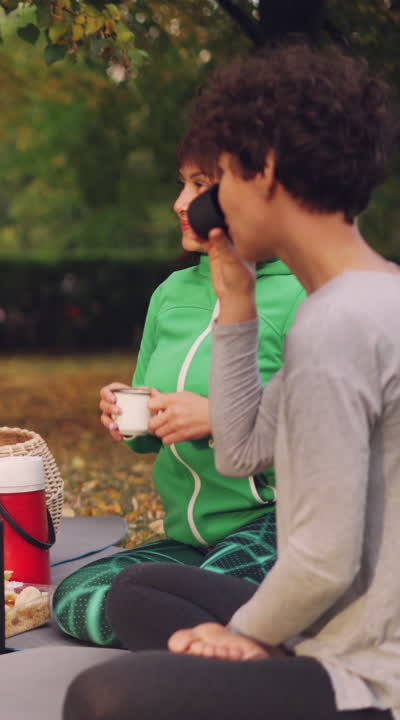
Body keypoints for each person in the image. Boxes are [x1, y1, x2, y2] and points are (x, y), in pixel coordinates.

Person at [65, 44, 399, 719]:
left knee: (99, 698)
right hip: (336, 620)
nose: (206, 203)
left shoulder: (338, 325)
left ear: (265, 171)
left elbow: (322, 561)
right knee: (143, 585)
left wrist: (241, 635)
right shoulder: (368, 295)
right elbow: (242, 449)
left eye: (218, 179)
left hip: (369, 667)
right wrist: (237, 309)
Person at [51, 130, 305, 647]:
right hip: (191, 541)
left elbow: (329, 439)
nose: (180, 202)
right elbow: (150, 438)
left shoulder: (299, 294)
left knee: (161, 596)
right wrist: (132, 416)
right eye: (181, 184)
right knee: (77, 596)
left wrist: (219, 419)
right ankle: (230, 634)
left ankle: (244, 630)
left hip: (273, 526)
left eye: (199, 185)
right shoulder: (170, 294)